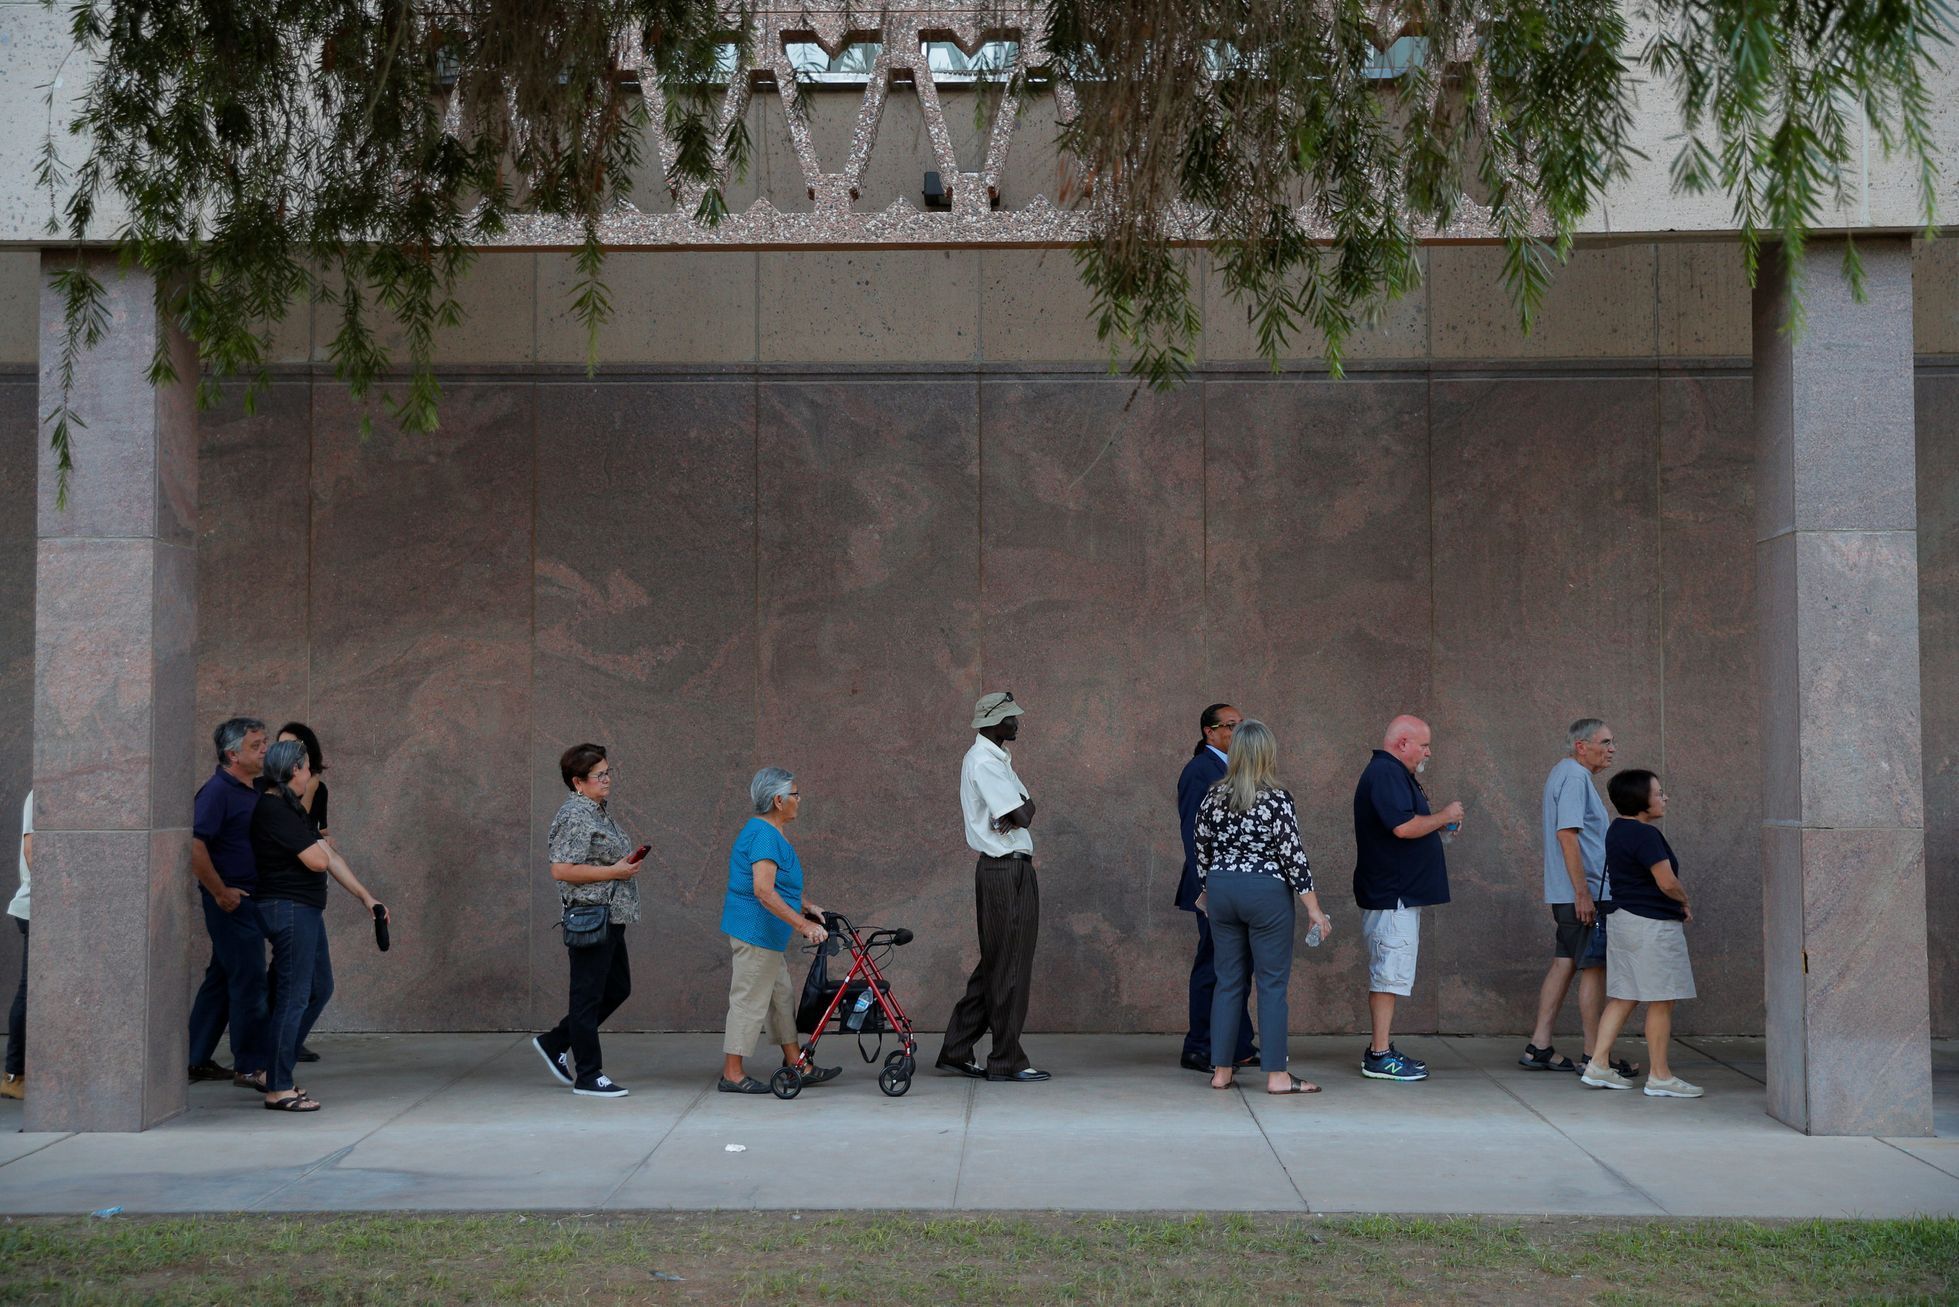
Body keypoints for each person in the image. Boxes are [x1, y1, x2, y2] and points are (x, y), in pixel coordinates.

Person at [1195, 721, 1333, 1095]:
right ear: (1267, 754)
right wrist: (1314, 909)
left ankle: (1221, 1072)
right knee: (1271, 985)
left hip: (1222, 889)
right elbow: (1293, 856)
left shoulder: (1213, 796)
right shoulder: (1276, 798)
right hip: (1266, 892)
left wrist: (1213, 887)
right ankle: (1277, 1076)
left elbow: (1202, 850)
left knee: (1228, 981)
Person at [250, 739, 387, 1111]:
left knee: (317, 989)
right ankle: (277, 1086)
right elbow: (316, 859)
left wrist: (366, 897)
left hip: (305, 910)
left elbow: (330, 855)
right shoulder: (272, 809)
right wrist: (320, 850)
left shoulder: (292, 809)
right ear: (295, 770)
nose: (311, 774)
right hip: (288, 909)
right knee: (294, 995)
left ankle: (273, 1068)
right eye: (308, 766)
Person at [937, 691, 1049, 1083]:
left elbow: (1027, 809)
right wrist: (1021, 808)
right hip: (1005, 871)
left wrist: (1022, 807)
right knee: (1010, 966)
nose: (1017, 723)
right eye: (1009, 718)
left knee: (997, 965)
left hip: (1007, 870)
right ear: (990, 723)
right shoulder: (985, 761)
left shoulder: (995, 759)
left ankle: (956, 1049)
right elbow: (1022, 813)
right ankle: (1006, 1060)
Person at [1521, 719, 1640, 1078]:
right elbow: (1567, 836)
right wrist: (1583, 893)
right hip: (1583, 893)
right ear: (1581, 746)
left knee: (1565, 962)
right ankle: (1594, 1055)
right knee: (1594, 968)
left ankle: (1539, 1046)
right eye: (1605, 741)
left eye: (1612, 741)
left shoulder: (1566, 774)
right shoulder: (1574, 777)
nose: (1612, 749)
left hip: (1570, 893)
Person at [1352, 714, 1461, 1082]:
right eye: (1424, 744)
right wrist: (1444, 814)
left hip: (1396, 893)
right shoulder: (1385, 773)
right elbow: (1402, 826)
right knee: (1387, 975)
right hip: (1390, 894)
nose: (1428, 752)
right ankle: (1379, 1055)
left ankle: (1381, 1049)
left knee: (1391, 974)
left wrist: (1440, 824)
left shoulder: (1393, 774)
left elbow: (1406, 823)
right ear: (1402, 743)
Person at [717, 767, 839, 1094]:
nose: (800, 800)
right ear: (778, 800)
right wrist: (804, 926)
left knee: (780, 997)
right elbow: (763, 890)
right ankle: (732, 1073)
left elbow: (778, 885)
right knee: (749, 1000)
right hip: (755, 932)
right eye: (795, 795)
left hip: (767, 935)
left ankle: (797, 1062)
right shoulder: (764, 835)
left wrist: (806, 905)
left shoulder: (770, 832)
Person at [532, 744, 642, 1099]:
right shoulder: (576, 815)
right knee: (587, 997)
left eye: (608, 772)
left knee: (617, 988)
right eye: (599, 775)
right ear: (578, 782)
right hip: (591, 915)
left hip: (610, 916)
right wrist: (615, 870)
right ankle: (589, 1074)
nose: (607, 779)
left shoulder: (597, 811)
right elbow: (561, 869)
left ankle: (556, 1041)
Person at [1583, 769, 1702, 1098]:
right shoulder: (1646, 835)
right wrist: (1684, 899)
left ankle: (1598, 1064)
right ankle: (1660, 1075)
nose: (1664, 797)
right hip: (1652, 926)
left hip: (1623, 921)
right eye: (1658, 792)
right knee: (1661, 999)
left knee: (1624, 995)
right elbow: (1666, 882)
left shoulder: (1616, 830)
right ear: (1641, 800)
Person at [186, 717, 272, 1089]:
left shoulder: (251, 789)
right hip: (231, 902)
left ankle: (194, 1058)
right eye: (256, 745)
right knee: (250, 980)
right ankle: (250, 1065)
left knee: (221, 978)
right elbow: (194, 844)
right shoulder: (217, 792)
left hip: (248, 898)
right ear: (232, 754)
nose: (264, 750)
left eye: (264, 743)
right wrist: (220, 891)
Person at [1176, 703, 1256, 1073]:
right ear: (1209, 731)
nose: (1237, 733)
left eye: (1242, 726)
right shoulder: (1200, 771)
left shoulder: (1232, 768)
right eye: (1230, 726)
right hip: (1214, 886)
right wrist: (1207, 888)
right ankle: (1200, 1046)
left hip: (1236, 884)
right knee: (1214, 966)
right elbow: (1194, 835)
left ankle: (1238, 1043)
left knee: (1237, 965)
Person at [274, 722, 332, 1065]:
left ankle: (284, 1049)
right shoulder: (272, 802)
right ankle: (276, 1058)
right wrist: (307, 785)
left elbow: (318, 832)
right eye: (281, 748)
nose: (289, 756)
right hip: (287, 900)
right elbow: (301, 828)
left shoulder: (314, 787)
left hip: (307, 897)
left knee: (315, 987)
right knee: (298, 988)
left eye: (296, 750)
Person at [2, 790, 28, 1101]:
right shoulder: (42, 794)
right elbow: (33, 850)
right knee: (29, 990)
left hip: (43, 908)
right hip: (36, 908)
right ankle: (14, 1073)